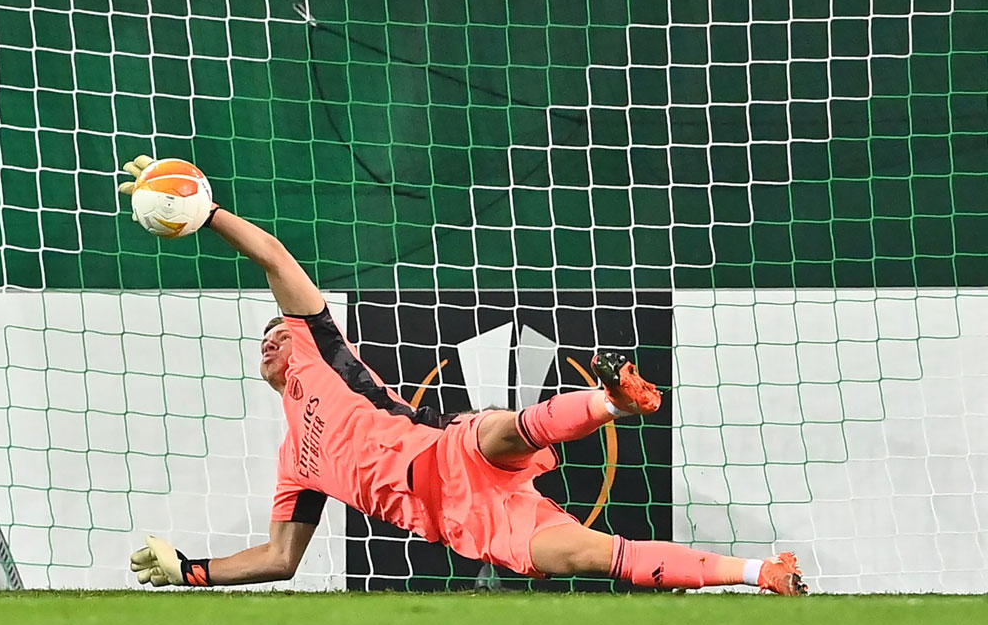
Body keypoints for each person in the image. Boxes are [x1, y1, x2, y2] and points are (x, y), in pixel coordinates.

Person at [119, 155, 807, 595]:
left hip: (443, 447)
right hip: (464, 517)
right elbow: (280, 558)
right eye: (264, 339)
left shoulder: (323, 348)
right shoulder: (295, 464)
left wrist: (204, 214)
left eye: (280, 331)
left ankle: (613, 400)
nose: (273, 340)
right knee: (595, 557)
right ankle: (758, 573)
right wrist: (188, 571)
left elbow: (273, 258)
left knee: (500, 430)